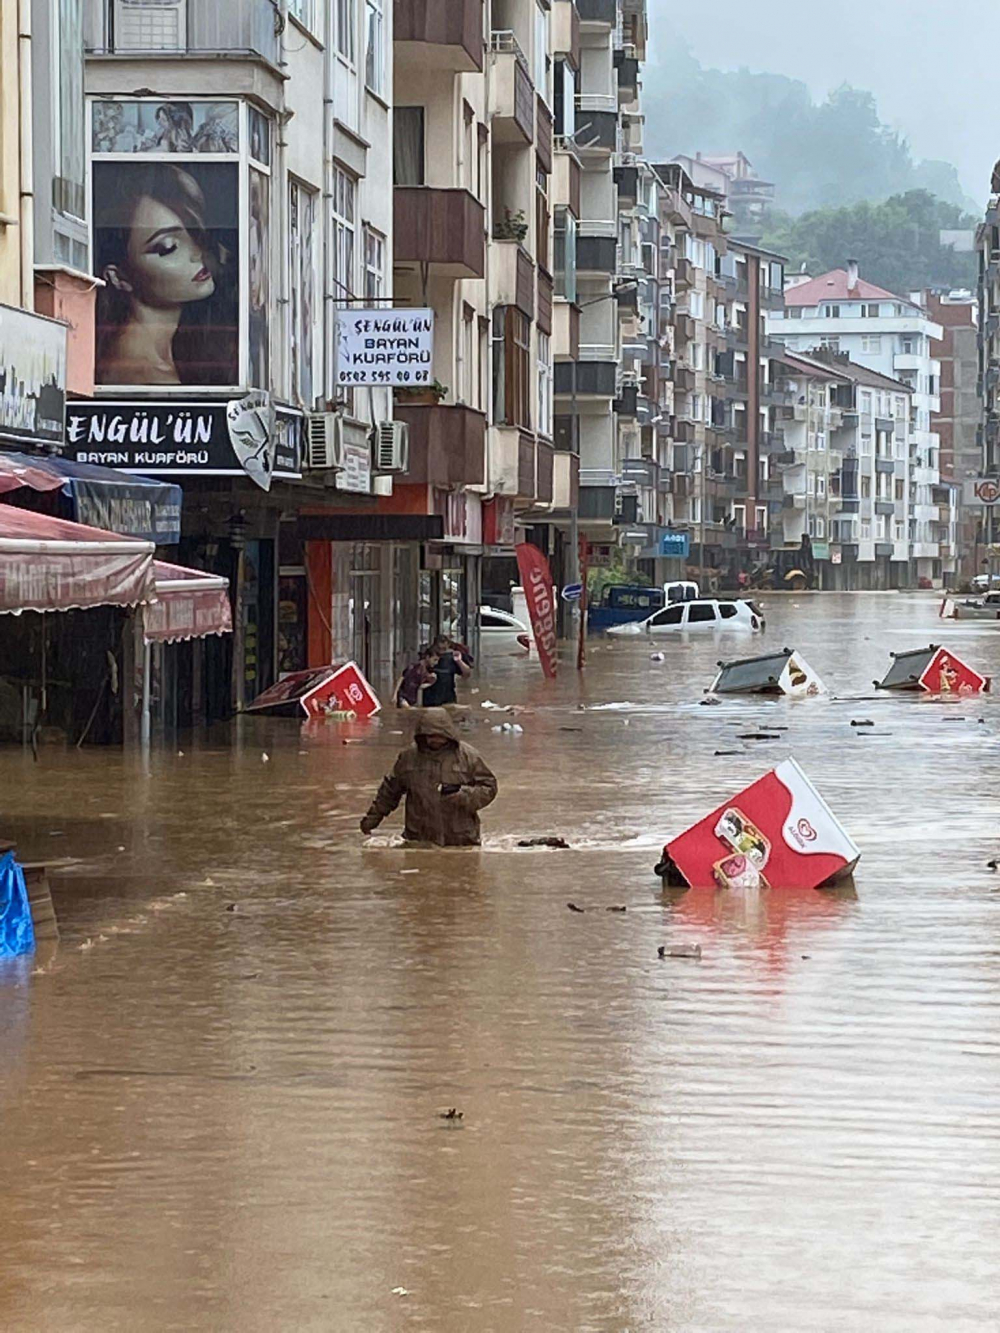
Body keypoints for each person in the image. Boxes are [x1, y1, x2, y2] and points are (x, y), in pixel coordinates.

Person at [93, 162, 236, 385]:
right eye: (168, 247)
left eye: (194, 231)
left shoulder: (178, 353)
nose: (197, 253)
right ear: (118, 277)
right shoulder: (141, 375)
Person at [360, 709, 498, 846]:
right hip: (419, 838)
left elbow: (489, 787)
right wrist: (373, 819)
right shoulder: (408, 758)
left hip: (461, 839)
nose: (435, 740)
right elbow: (390, 791)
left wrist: (461, 794)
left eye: (440, 735)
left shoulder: (468, 757)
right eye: (430, 736)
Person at [420, 635, 471, 707]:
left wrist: (459, 661)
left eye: (444, 649)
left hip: (448, 699)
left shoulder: (451, 657)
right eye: (439, 649)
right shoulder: (428, 657)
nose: (441, 652)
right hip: (430, 700)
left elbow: (466, 675)